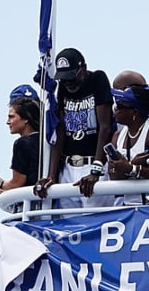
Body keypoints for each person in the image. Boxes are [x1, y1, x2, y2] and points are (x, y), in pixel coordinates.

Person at [34, 47, 114, 208]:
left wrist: (96, 170)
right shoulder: (64, 87)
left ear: (83, 69)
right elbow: (61, 130)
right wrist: (51, 175)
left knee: (94, 222)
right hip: (69, 168)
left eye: (71, 77)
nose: (68, 83)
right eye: (64, 79)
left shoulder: (97, 79)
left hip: (94, 165)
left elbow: (105, 127)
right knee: (68, 225)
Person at [81, 88, 149, 205]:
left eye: (119, 105)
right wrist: (133, 165)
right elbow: (113, 175)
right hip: (127, 207)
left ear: (134, 112)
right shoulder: (118, 136)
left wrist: (130, 168)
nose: (115, 109)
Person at [0, 95, 42, 194]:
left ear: (26, 119)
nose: (7, 122)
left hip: (32, 202)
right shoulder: (45, 140)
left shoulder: (21, 143)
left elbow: (17, 183)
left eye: (11, 117)